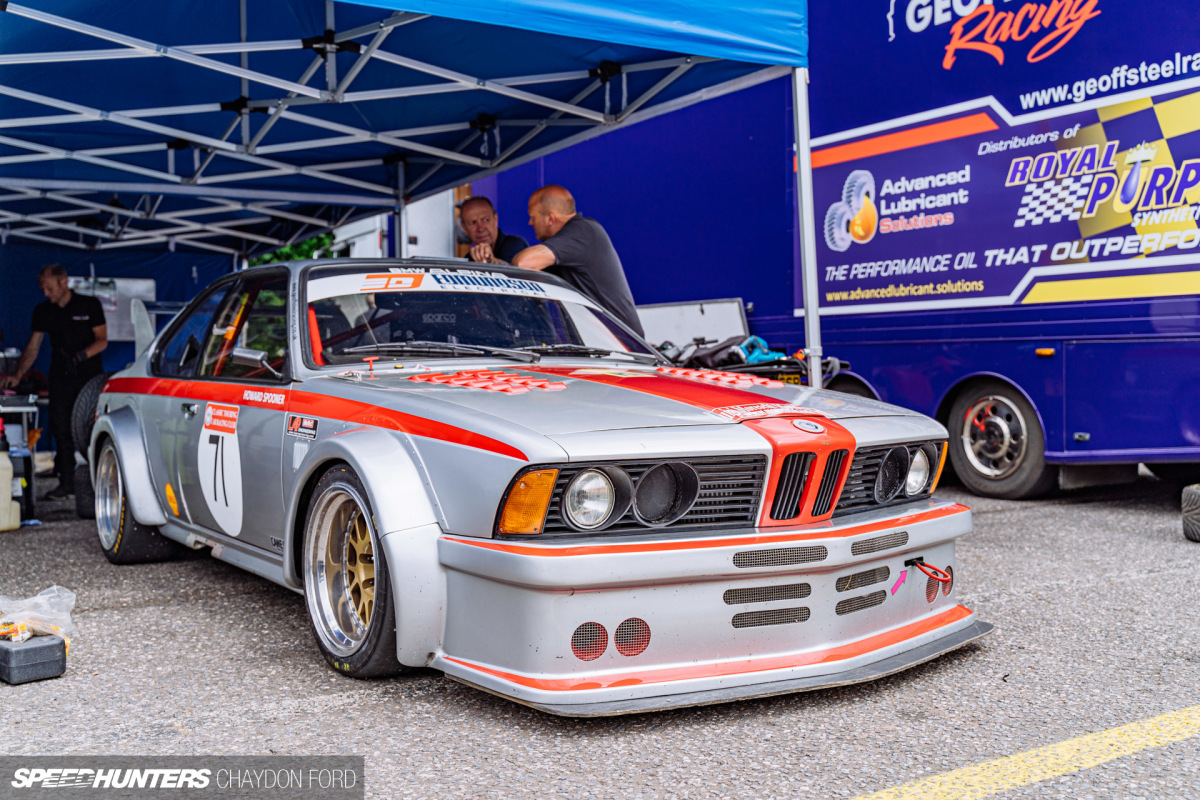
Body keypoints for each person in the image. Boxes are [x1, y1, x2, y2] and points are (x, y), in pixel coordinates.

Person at [1, 265, 107, 500]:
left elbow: (102, 340)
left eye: (49, 288)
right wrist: (18, 375)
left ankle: (98, 482)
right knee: (61, 428)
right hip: (60, 376)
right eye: (42, 289)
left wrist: (80, 356)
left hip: (89, 377)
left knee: (92, 428)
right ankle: (67, 483)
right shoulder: (43, 311)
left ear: (64, 283)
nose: (46, 293)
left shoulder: (89, 305)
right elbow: (33, 346)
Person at [509, 185, 645, 337]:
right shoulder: (566, 246)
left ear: (550, 219)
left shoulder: (583, 231)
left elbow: (524, 263)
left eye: (532, 217)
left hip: (620, 346)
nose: (530, 223)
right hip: (601, 344)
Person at [459, 196, 528, 265]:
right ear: (464, 228)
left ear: (495, 219)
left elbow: (513, 270)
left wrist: (491, 261)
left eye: (486, 220)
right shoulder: (470, 258)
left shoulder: (515, 245)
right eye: (473, 223)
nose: (480, 228)